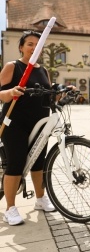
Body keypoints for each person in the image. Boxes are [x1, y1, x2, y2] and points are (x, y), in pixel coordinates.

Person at [0, 30, 55, 225]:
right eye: (29, 44)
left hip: (40, 123)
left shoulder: (44, 70)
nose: (34, 47)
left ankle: (40, 199)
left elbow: (48, 94)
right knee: (16, 164)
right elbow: (1, 93)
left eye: (37, 45)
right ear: (21, 47)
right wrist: (10, 92)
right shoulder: (13, 66)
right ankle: (10, 209)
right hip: (15, 123)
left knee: (39, 162)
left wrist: (62, 91)